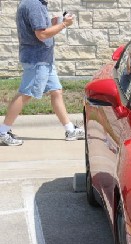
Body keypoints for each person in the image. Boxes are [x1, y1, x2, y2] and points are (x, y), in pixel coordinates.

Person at [0, 0, 84, 147]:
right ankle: (2, 132)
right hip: (37, 61)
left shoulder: (31, 3)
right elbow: (42, 34)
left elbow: (39, 28)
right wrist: (63, 24)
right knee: (25, 94)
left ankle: (70, 130)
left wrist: (54, 22)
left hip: (44, 59)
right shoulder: (35, 5)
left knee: (56, 91)